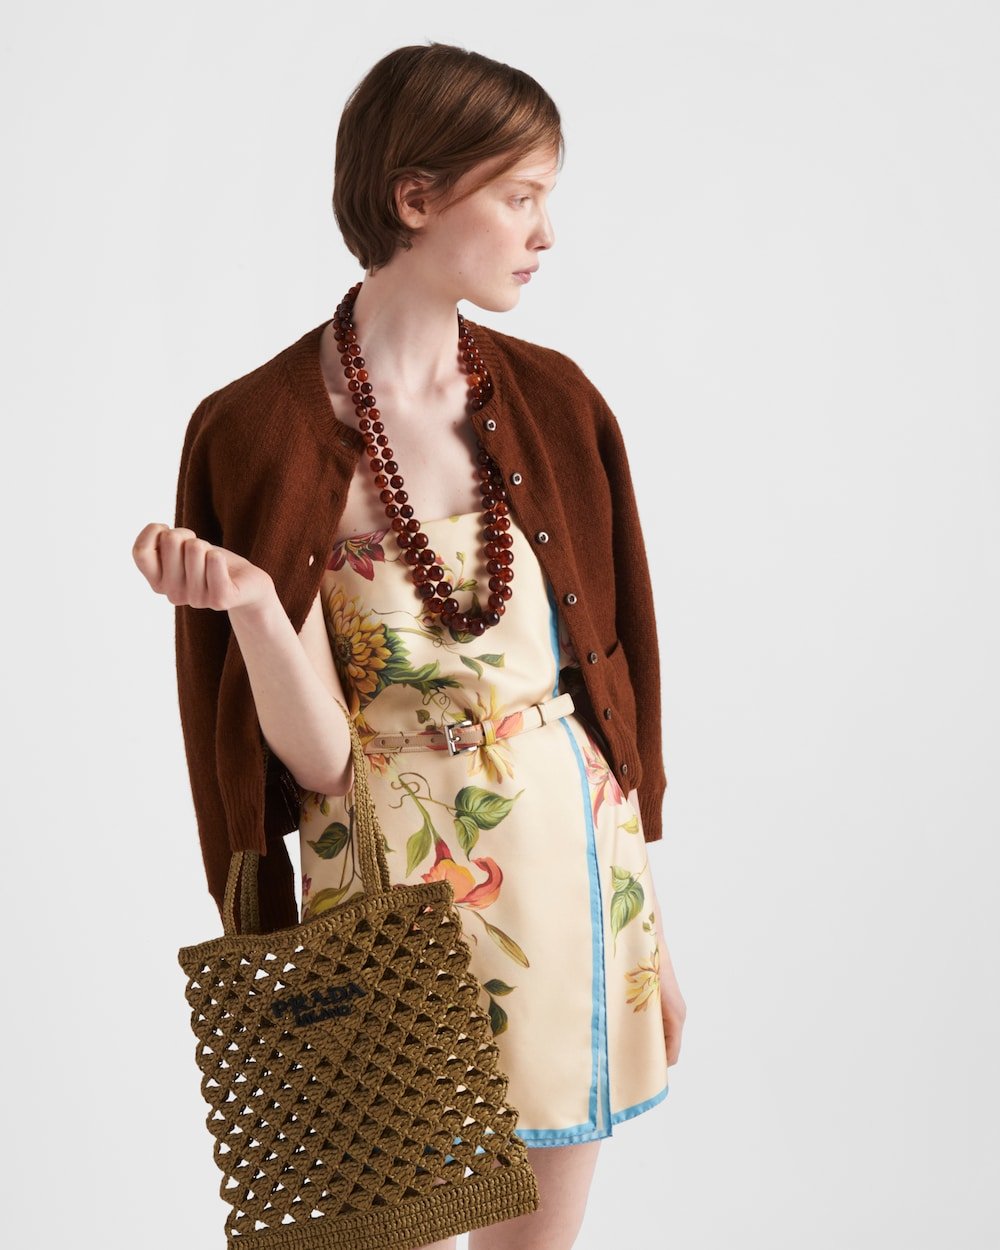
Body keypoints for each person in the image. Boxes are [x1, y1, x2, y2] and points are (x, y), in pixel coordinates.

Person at [133, 41, 686, 1250]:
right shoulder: (253, 429)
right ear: (416, 197)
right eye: (519, 195)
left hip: (574, 873)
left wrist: (657, 931)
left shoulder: (558, 400)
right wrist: (252, 606)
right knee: (384, 1224)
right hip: (382, 887)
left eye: (547, 197)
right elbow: (323, 763)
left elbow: (610, 686)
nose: (545, 233)